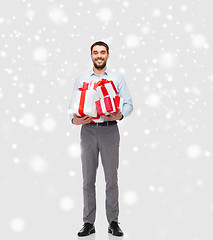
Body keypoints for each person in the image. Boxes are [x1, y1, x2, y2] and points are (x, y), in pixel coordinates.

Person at [69, 41, 133, 237]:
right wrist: (75, 120)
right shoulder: (81, 80)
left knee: (111, 179)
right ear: (91, 56)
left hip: (110, 131)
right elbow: (73, 108)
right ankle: (88, 223)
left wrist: (119, 116)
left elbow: (129, 104)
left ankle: (113, 222)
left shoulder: (117, 79)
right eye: (95, 53)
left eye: (102, 52)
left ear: (107, 55)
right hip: (87, 131)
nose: (99, 56)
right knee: (88, 179)